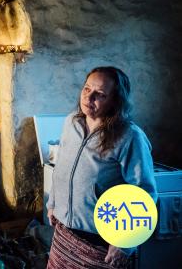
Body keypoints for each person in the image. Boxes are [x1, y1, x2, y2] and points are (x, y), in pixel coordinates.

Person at [46, 67, 158, 269]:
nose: (89, 98)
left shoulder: (129, 136)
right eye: (87, 89)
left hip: (100, 243)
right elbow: (62, 166)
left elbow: (145, 194)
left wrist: (125, 243)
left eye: (100, 94)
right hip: (64, 234)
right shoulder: (72, 122)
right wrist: (53, 202)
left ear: (116, 100)